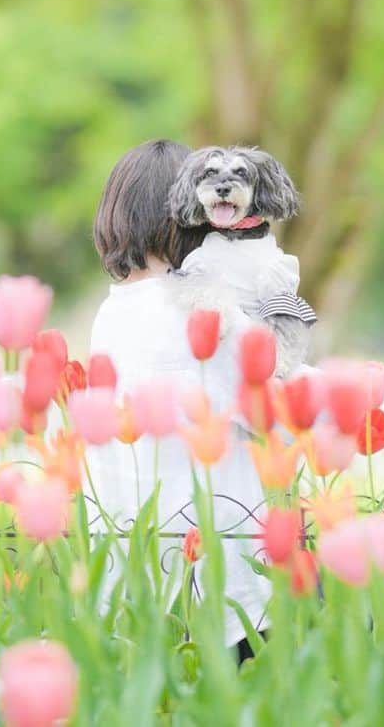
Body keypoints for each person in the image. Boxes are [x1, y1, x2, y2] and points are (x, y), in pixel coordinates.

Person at [86, 138, 270, 652]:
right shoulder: (206, 312)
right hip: (222, 583)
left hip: (128, 576)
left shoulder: (110, 316)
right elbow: (270, 408)